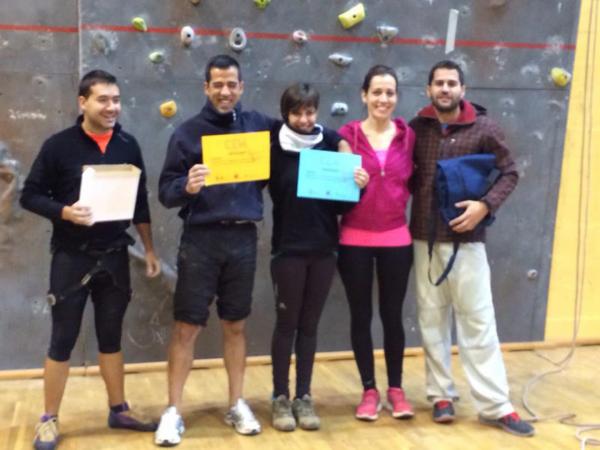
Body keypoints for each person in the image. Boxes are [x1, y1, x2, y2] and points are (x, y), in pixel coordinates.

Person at [20, 70, 161, 450]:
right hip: (71, 258)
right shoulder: (58, 146)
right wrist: (64, 212)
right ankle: (48, 419)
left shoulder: (128, 145)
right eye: (103, 100)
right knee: (62, 340)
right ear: (83, 102)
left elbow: (140, 203)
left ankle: (119, 409)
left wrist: (148, 249)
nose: (112, 107)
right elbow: (29, 195)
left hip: (115, 257)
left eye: (116, 99)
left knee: (111, 338)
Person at [409, 60, 534, 437]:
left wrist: (485, 206)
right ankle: (440, 395)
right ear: (429, 89)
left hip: (468, 243)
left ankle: (496, 405)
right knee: (431, 321)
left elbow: (510, 172)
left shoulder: (486, 127)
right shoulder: (416, 128)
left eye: (451, 83)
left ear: (462, 89)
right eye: (438, 83)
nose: (445, 89)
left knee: (478, 322)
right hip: (423, 239)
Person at [155, 54, 274, 446]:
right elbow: (165, 193)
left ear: (241, 87)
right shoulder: (187, 134)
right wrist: (186, 187)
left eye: (231, 84)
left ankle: (236, 402)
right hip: (201, 240)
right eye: (217, 84)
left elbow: (302, 132)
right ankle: (172, 411)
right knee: (187, 326)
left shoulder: (259, 126)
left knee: (236, 324)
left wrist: (339, 143)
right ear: (206, 88)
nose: (225, 91)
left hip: (242, 238)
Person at [268, 83, 369, 432]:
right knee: (287, 325)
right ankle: (280, 397)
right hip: (287, 251)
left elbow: (343, 203)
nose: (304, 119)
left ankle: (304, 396)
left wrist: (359, 183)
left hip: (324, 249)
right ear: (286, 113)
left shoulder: (329, 142)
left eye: (310, 112)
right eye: (297, 112)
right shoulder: (273, 145)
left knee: (309, 327)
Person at [337, 65, 415, 421]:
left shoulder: (408, 136)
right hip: (353, 238)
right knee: (360, 315)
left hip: (397, 238)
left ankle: (396, 390)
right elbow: (334, 188)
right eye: (377, 92)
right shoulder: (346, 136)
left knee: (392, 315)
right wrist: (349, 179)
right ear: (363, 95)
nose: (384, 99)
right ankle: (369, 390)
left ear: (396, 97)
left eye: (390, 93)